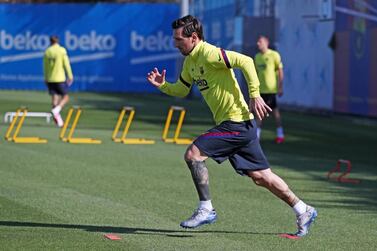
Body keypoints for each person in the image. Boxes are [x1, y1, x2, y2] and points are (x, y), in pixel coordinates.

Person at [146, 15, 317, 237]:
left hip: (236, 122)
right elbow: (182, 89)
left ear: (194, 37)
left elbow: (246, 61)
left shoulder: (209, 53)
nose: (175, 43)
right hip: (239, 125)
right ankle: (303, 209)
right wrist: (164, 86)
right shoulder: (190, 62)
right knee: (262, 177)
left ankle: (206, 208)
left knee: (193, 155)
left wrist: (254, 95)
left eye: (179, 39)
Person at [254, 35, 285, 143]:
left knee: (275, 113)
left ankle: (280, 134)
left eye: (260, 41)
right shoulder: (257, 57)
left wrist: (280, 87)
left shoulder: (274, 55)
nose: (258, 43)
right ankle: (256, 136)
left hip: (271, 90)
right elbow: (256, 74)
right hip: (260, 91)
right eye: (258, 42)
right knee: (259, 113)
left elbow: (280, 71)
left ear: (266, 43)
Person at [43, 35, 73, 127]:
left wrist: (46, 77)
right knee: (65, 97)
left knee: (54, 98)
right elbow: (66, 64)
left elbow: (45, 66)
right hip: (60, 78)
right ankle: (57, 109)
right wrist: (70, 75)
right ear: (58, 41)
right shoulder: (61, 50)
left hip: (51, 78)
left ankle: (59, 121)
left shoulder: (48, 51)